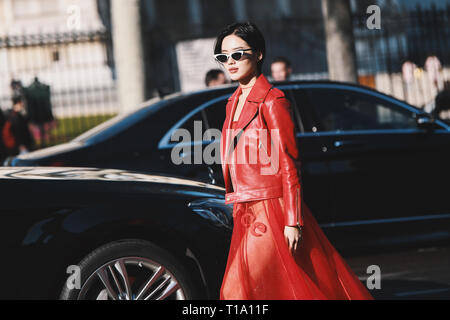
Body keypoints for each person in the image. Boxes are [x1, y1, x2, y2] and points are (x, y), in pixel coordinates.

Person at [214, 21, 374, 300]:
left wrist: (293, 219)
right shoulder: (232, 101)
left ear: (259, 54)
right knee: (271, 290)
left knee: (235, 291)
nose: (230, 61)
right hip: (245, 208)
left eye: (238, 53)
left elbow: (289, 163)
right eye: (223, 56)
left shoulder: (273, 101)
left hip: (271, 208)